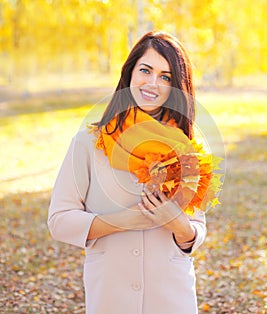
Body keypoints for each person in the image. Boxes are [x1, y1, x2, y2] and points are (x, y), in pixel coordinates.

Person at [48, 31, 207, 314]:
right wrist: (121, 221)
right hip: (111, 294)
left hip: (171, 296)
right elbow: (59, 220)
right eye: (145, 70)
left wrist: (179, 225)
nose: (152, 83)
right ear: (130, 72)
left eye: (166, 77)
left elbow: (196, 230)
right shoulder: (90, 141)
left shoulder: (188, 147)